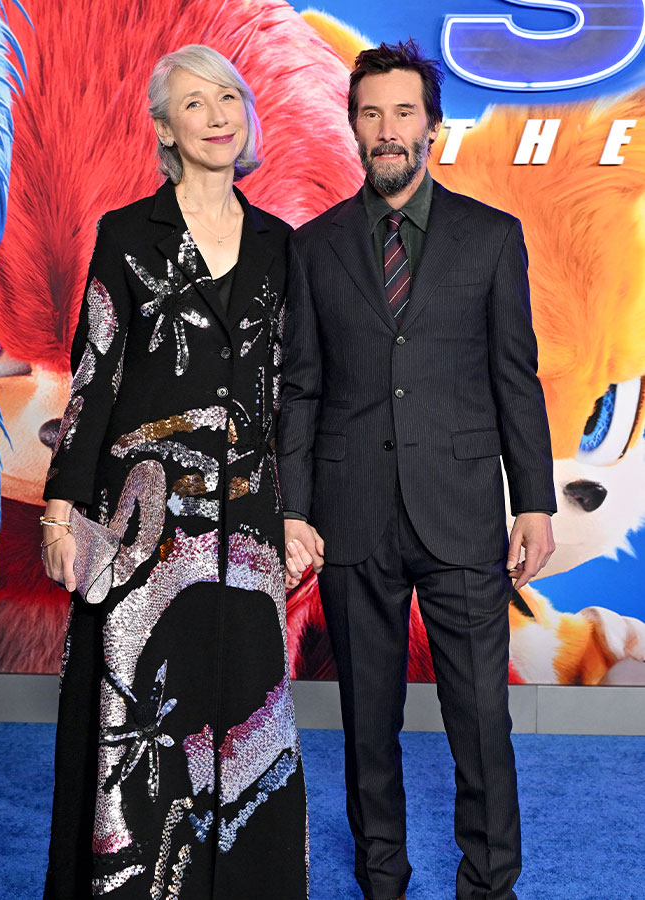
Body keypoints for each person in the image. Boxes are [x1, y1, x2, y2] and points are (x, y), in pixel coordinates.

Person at [278, 39, 556, 900]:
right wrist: (292, 509)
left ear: (433, 128)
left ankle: (490, 884)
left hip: (463, 507)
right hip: (351, 510)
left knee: (481, 721)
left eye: (404, 113)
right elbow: (300, 388)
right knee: (368, 723)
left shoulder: (491, 237)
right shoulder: (313, 246)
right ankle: (382, 879)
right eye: (371, 114)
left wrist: (535, 502)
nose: (386, 130)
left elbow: (516, 374)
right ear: (353, 126)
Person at [41, 44, 309, 900]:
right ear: (164, 127)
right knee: (149, 720)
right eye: (195, 103)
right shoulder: (127, 234)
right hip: (143, 531)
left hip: (249, 529)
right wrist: (60, 510)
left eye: (229, 96)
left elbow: (291, 392)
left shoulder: (279, 244)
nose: (219, 113)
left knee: (245, 719)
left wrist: (295, 512)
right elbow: (94, 378)